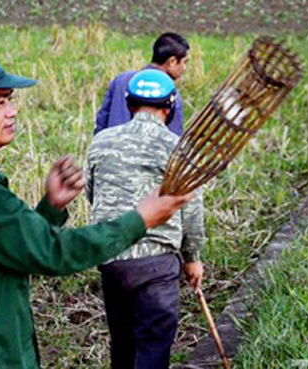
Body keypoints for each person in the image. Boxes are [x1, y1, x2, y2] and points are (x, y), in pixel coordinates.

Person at [0, 45, 194, 368]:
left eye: (11, 100)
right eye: (0, 101)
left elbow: (13, 250)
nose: (12, 111)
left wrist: (50, 207)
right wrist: (141, 219)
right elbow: (55, 252)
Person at [85, 70, 206, 369]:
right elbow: (191, 208)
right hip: (157, 265)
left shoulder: (101, 142)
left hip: (112, 260)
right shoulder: (178, 148)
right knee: (152, 349)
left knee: (123, 345)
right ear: (170, 107)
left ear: (129, 104)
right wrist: (192, 258)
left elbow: (92, 194)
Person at [94, 32, 190, 137]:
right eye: (184, 62)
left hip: (110, 150)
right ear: (172, 61)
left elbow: (101, 124)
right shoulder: (170, 93)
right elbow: (174, 138)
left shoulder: (120, 80)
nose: (184, 68)